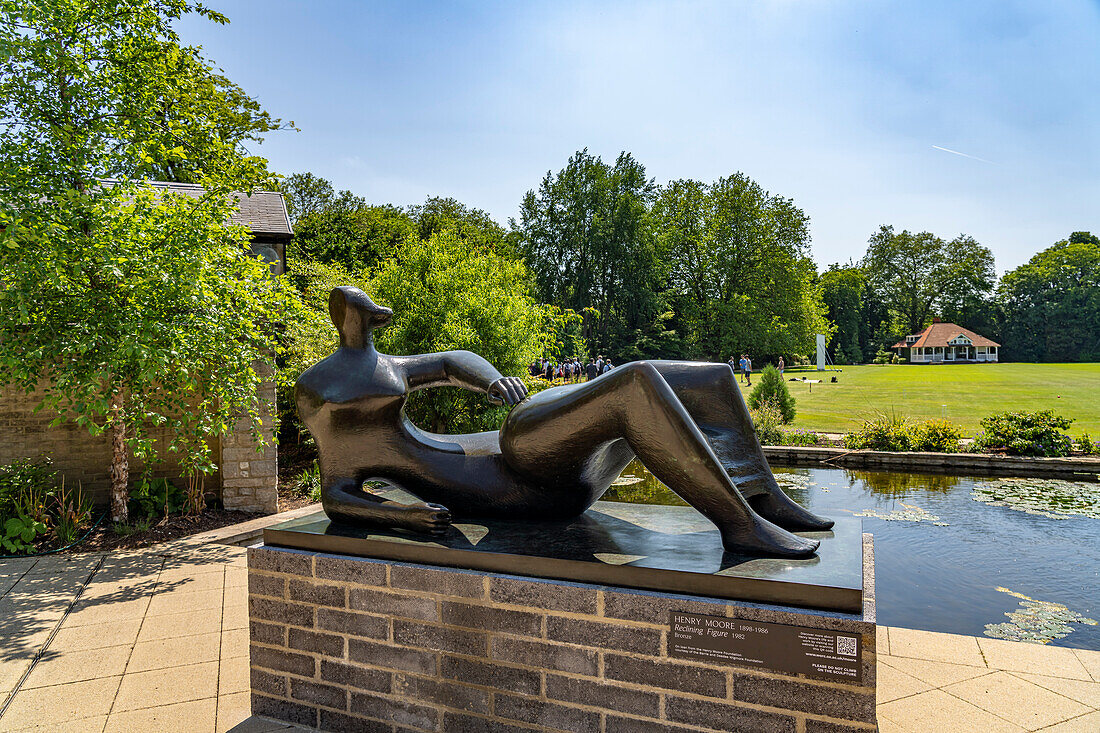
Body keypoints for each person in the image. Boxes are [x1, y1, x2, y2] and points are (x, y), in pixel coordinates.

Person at [296, 287, 832, 558]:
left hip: (534, 459)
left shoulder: (388, 366)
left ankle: (762, 498)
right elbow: (336, 497)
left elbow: (450, 360)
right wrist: (405, 520)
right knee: (636, 383)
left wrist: (491, 380)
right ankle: (739, 525)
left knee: (709, 379)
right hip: (517, 476)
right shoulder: (324, 392)